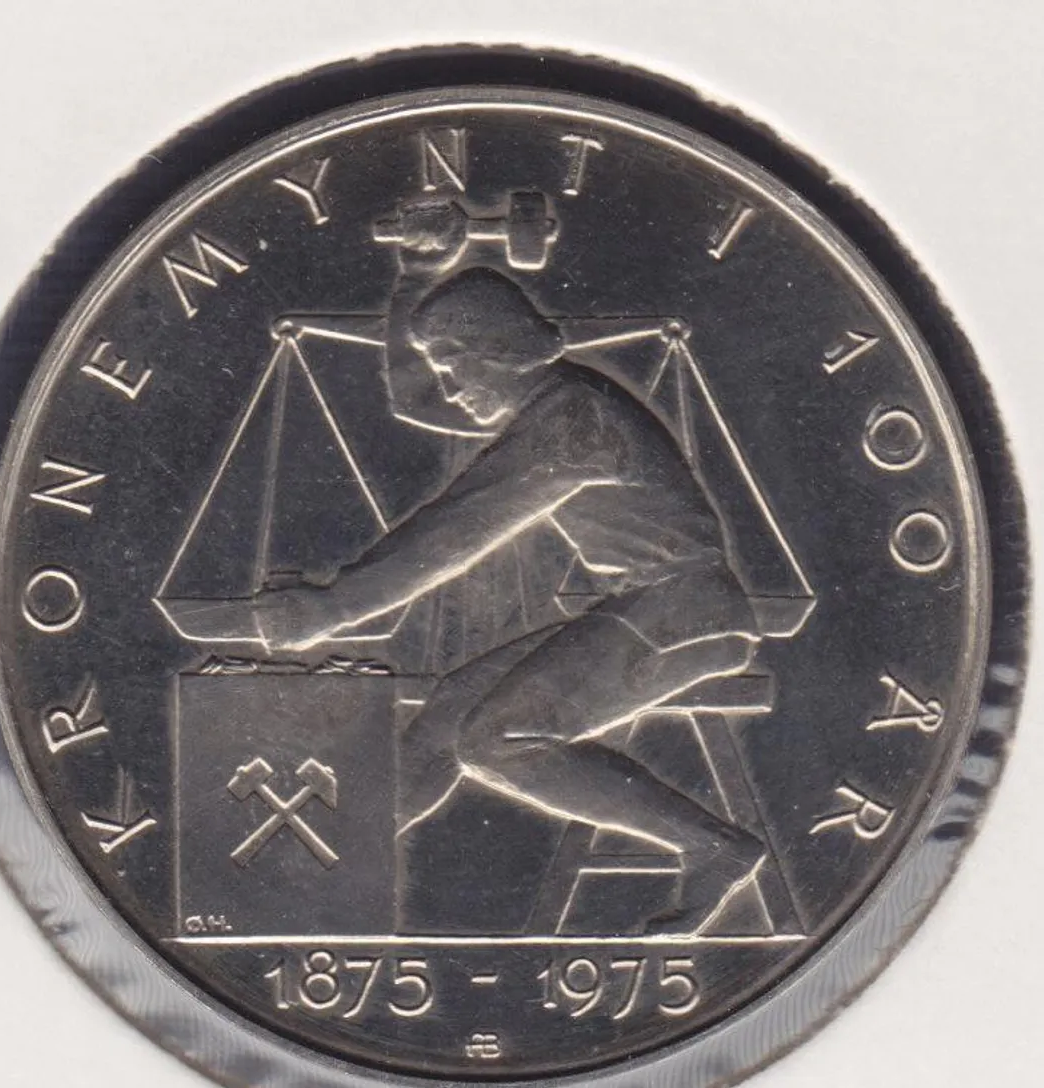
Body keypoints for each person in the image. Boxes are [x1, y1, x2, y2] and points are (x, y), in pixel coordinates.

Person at [257, 266, 765, 931]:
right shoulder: (549, 400)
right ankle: (343, 863)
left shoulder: (573, 418)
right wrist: (411, 278)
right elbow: (414, 403)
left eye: (452, 365)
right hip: (646, 607)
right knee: (449, 712)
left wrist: (330, 609)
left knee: (499, 740)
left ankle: (715, 845)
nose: (447, 388)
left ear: (498, 347)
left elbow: (458, 530)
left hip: (687, 611)